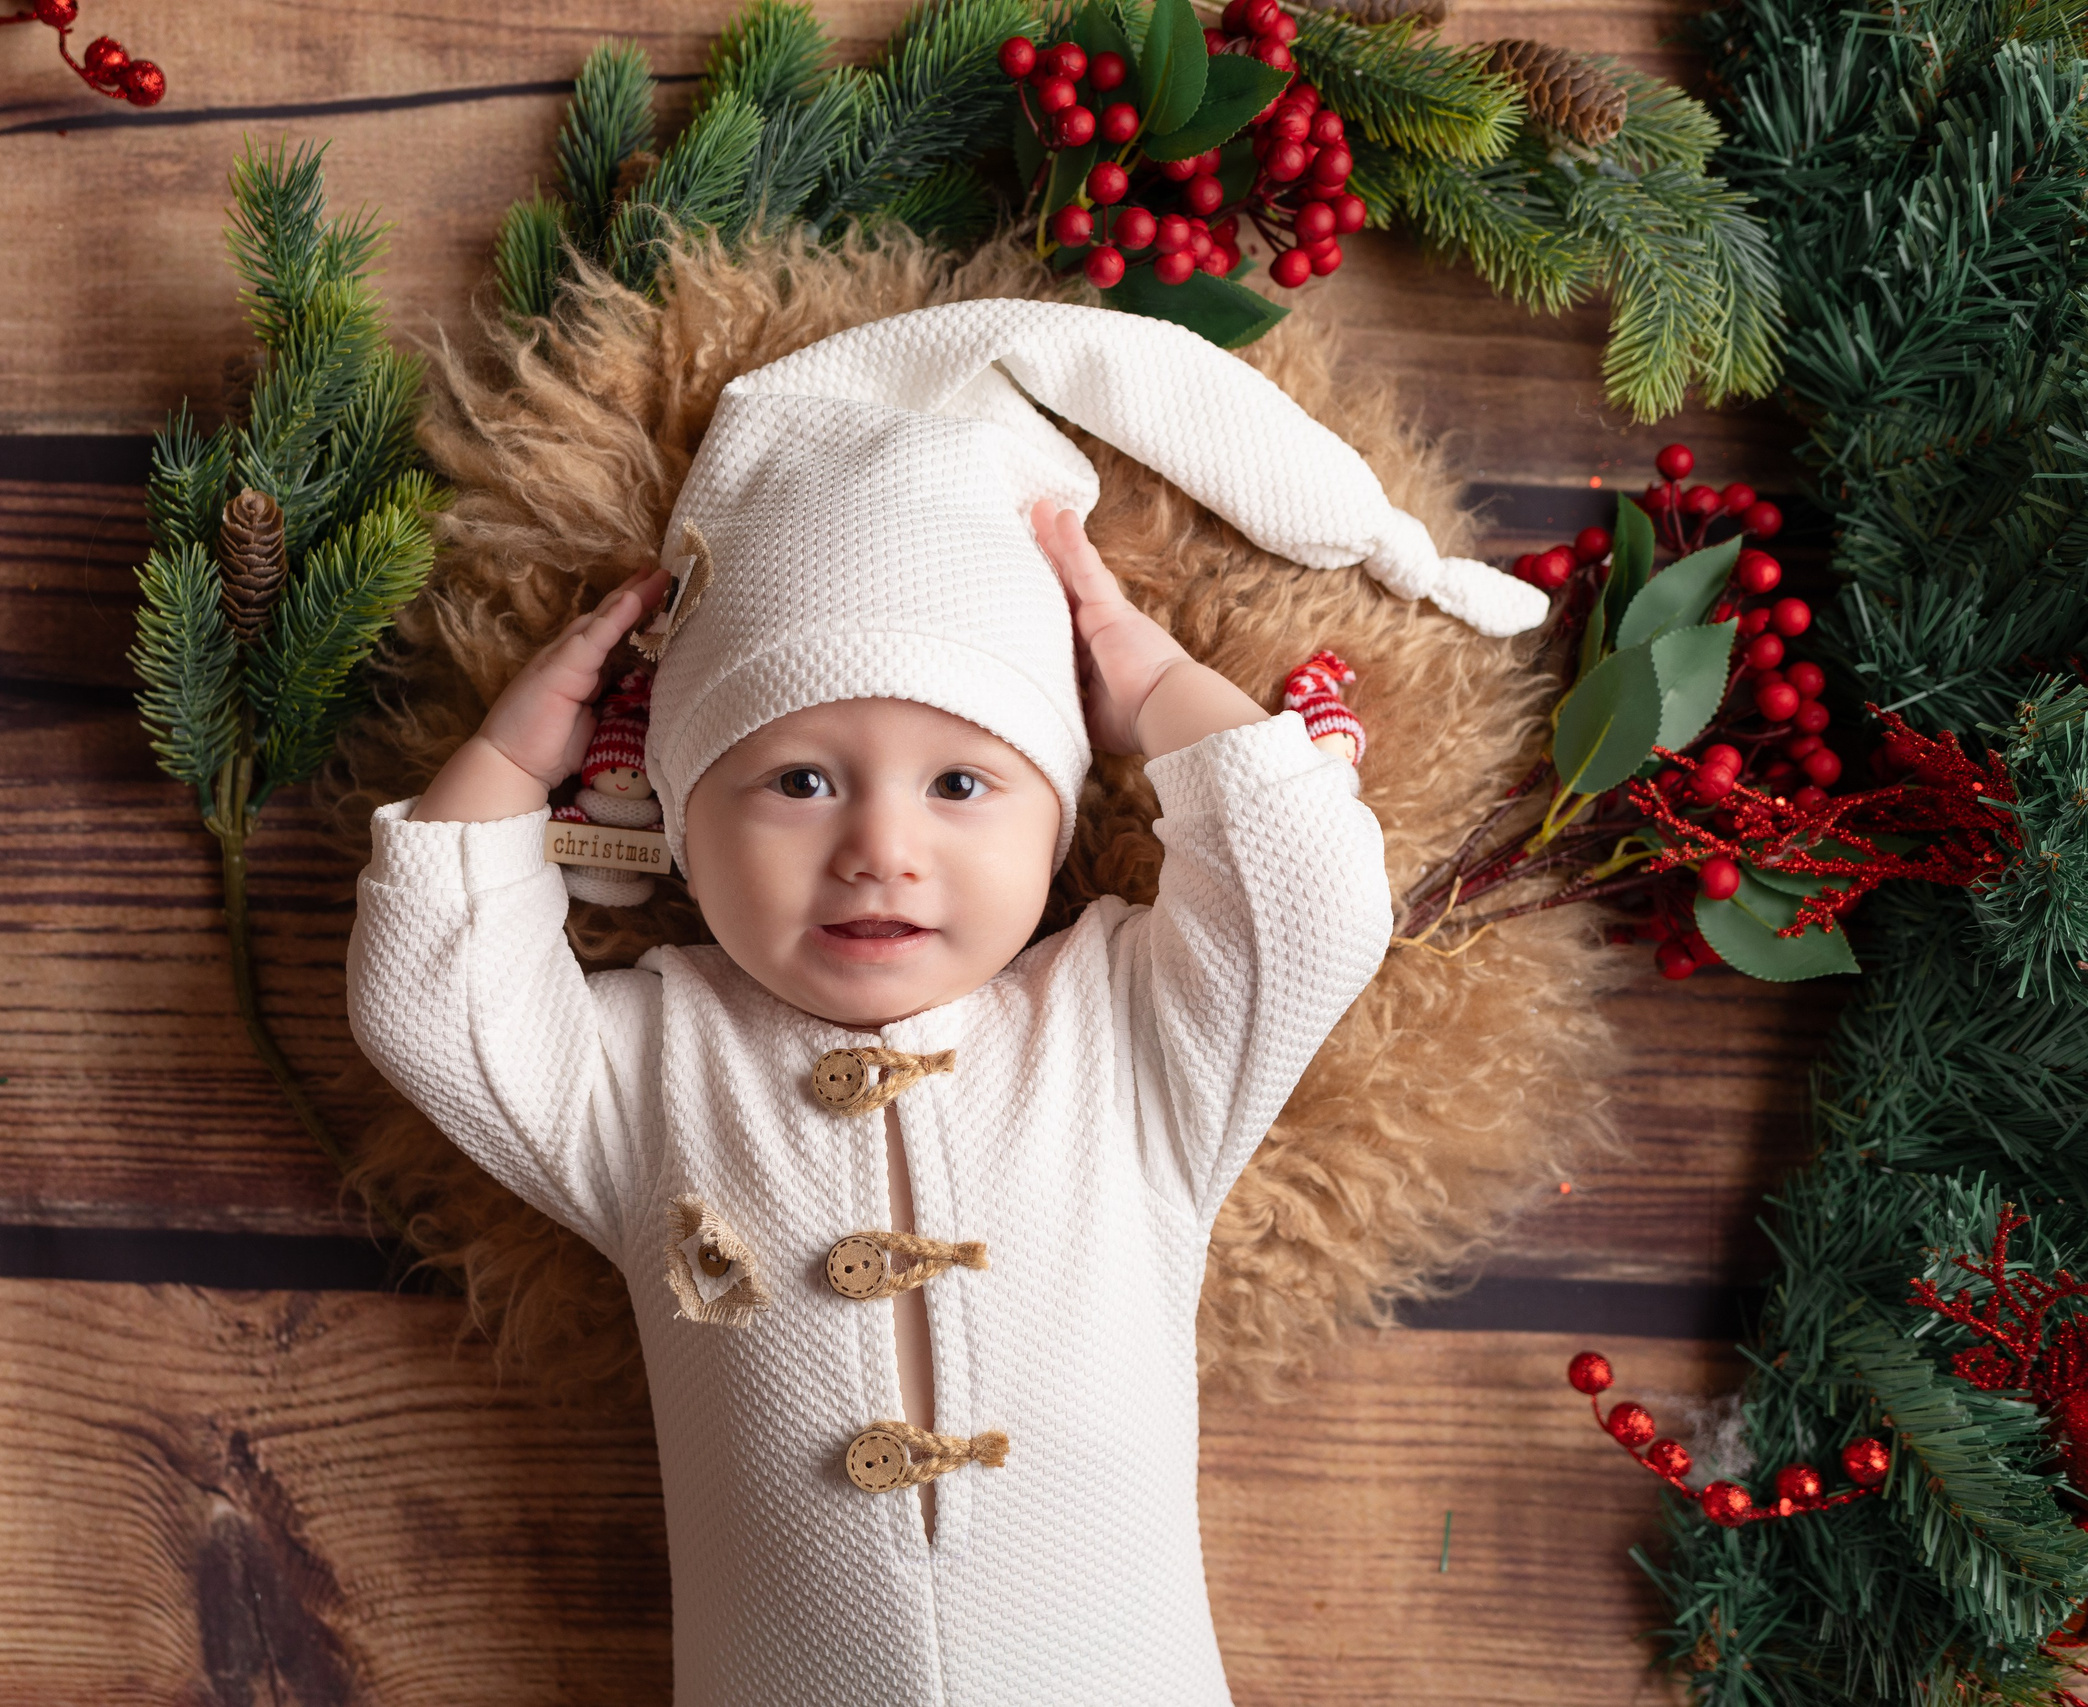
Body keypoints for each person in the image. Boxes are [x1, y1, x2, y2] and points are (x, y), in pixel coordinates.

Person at [348, 299, 1536, 1707]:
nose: (880, 849)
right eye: (798, 781)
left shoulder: (1129, 1033)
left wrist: (1155, 683)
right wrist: (506, 762)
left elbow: (1312, 901)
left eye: (963, 783)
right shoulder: (647, 1069)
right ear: (674, 823)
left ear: (1061, 816)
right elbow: (436, 999)